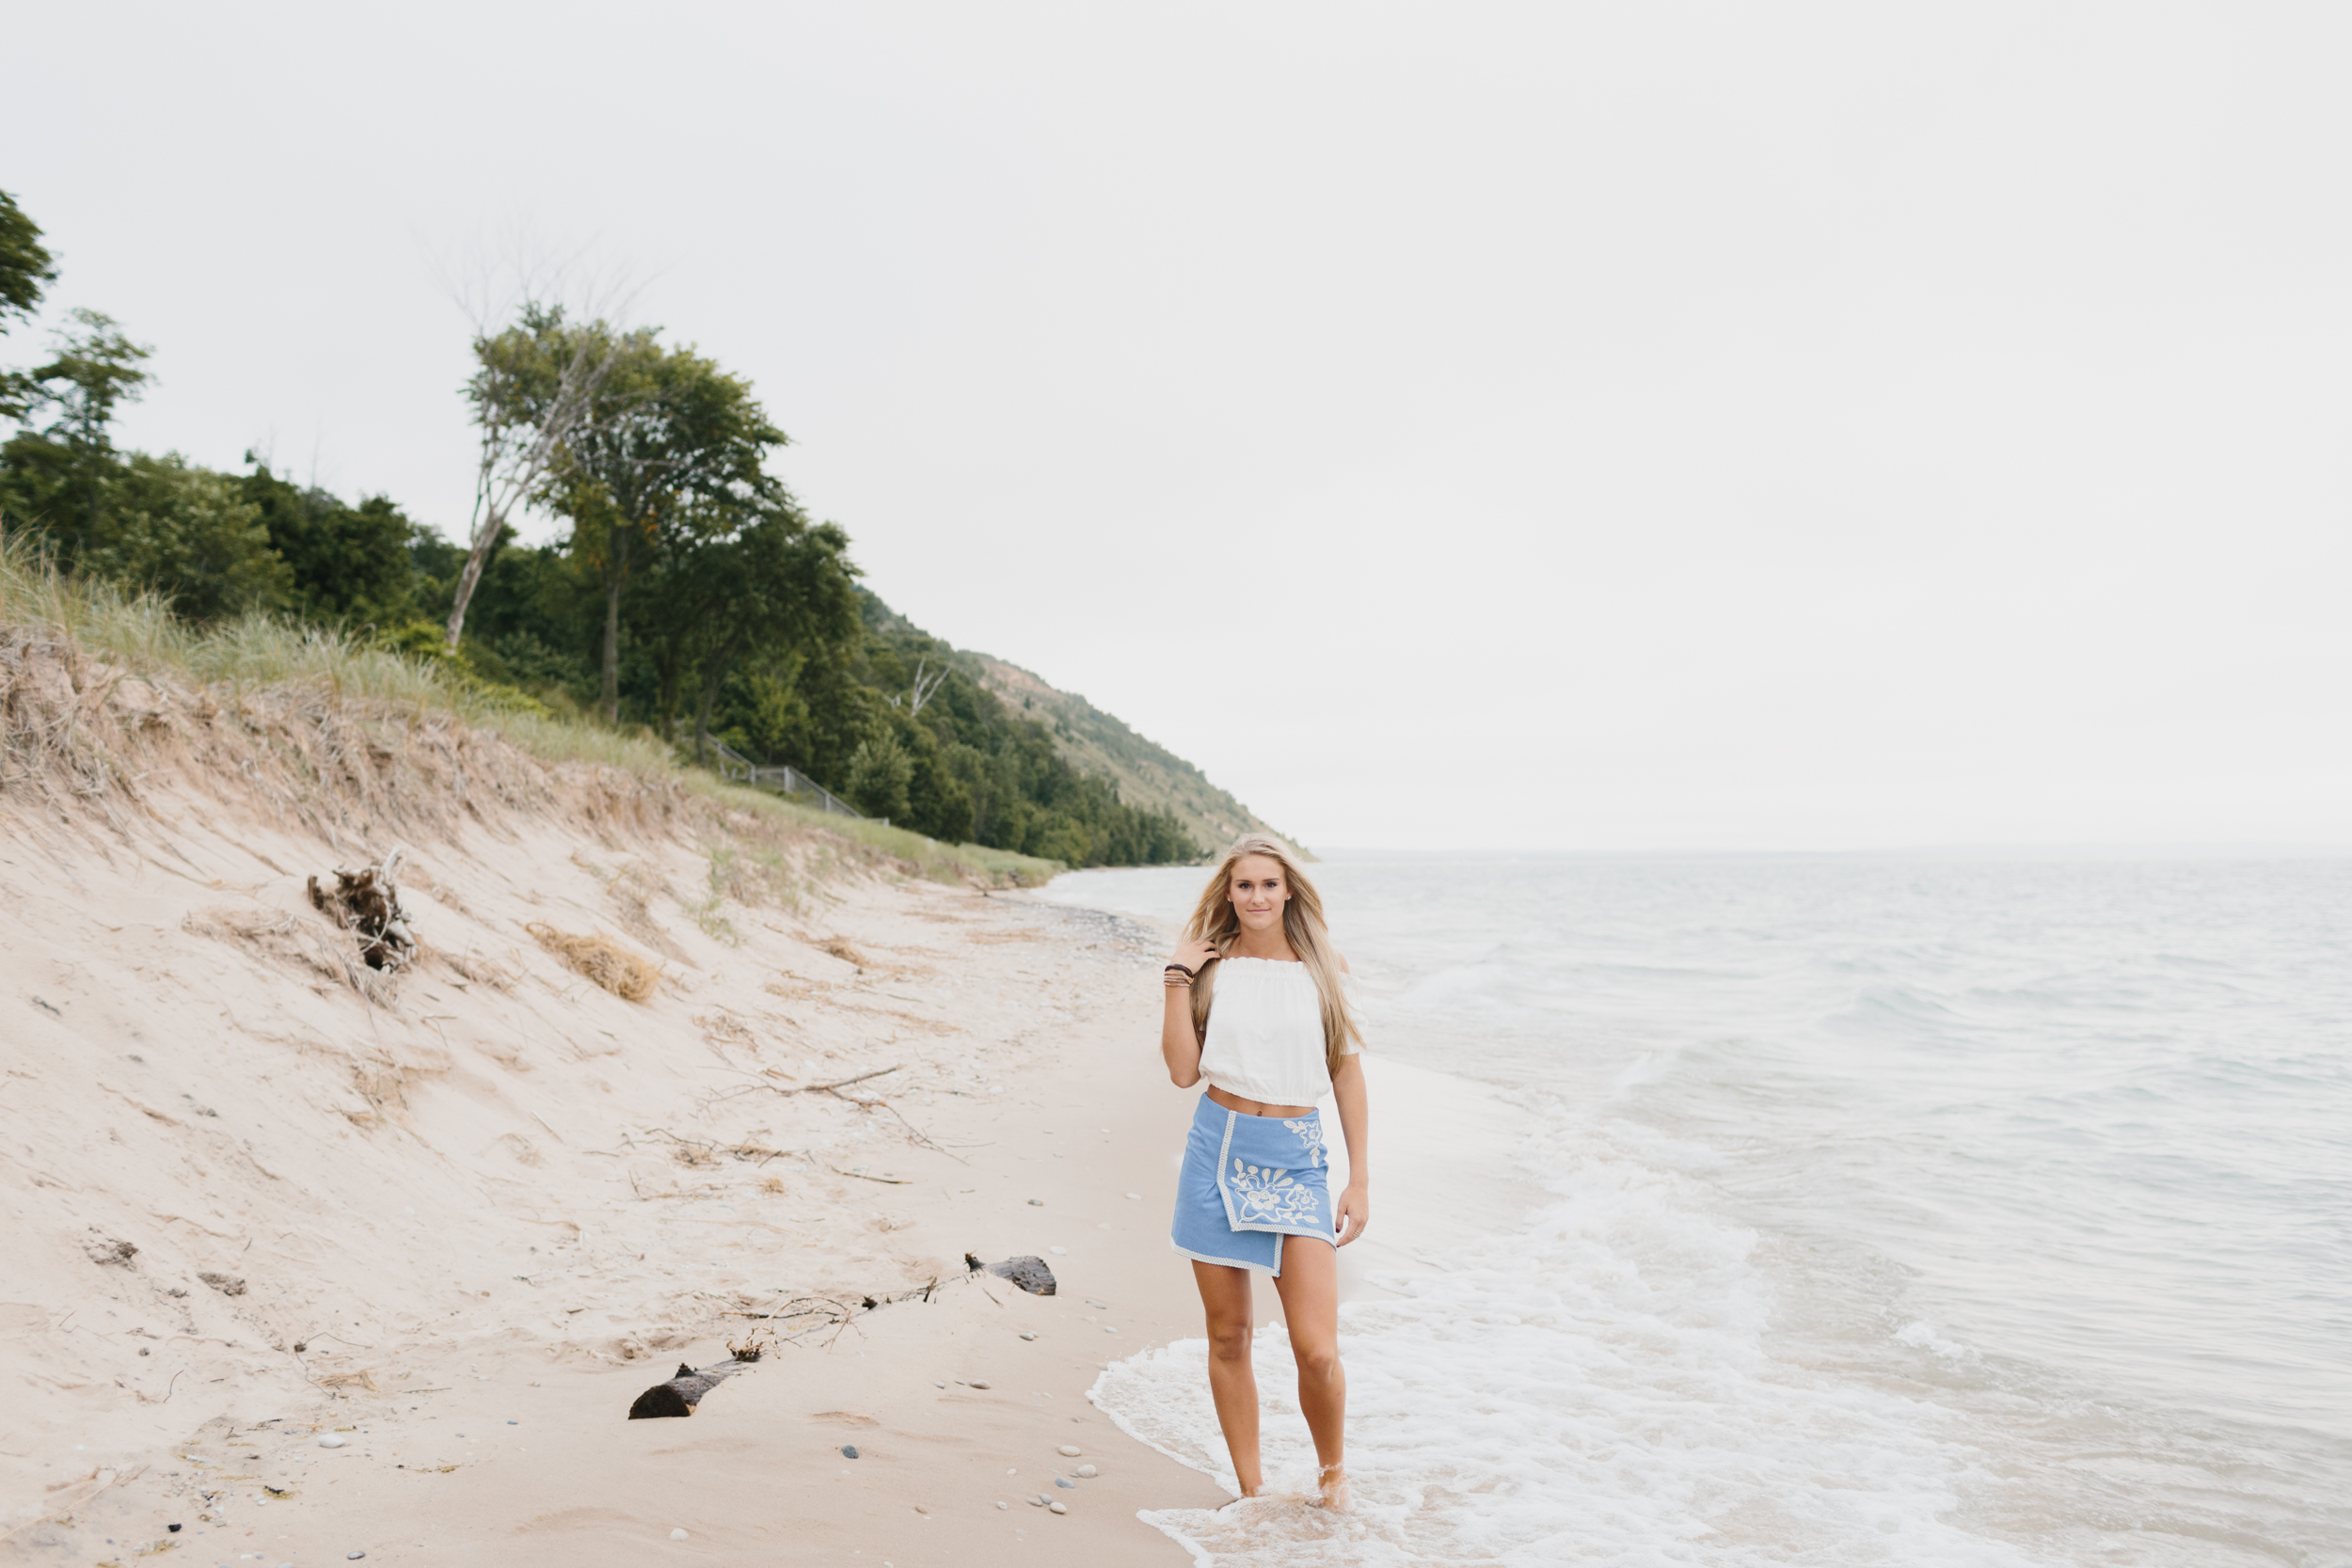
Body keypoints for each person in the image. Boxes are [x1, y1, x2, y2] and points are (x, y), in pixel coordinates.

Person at [1161, 832, 1369, 1512]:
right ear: (1229, 892)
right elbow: (1183, 1071)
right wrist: (1175, 979)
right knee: (1228, 1336)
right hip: (1216, 1150)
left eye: (1269, 885)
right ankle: (1250, 1491)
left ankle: (1333, 1476)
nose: (1256, 896)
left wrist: (1358, 1176)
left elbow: (1345, 1073)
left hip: (1297, 1160)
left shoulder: (1322, 969)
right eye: (1244, 884)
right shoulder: (1211, 971)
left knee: (1317, 1350)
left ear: (1289, 893)